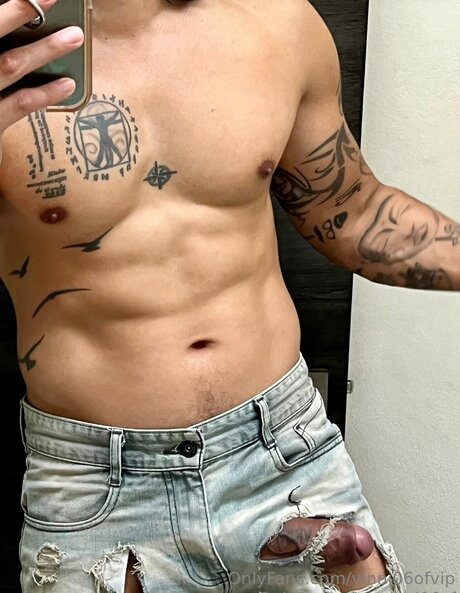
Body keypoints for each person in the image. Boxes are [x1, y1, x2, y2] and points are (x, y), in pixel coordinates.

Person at [0, 0, 457, 591]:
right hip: (93, 484)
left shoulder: (276, 22)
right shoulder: (9, 52)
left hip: (286, 455)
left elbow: (353, 210)